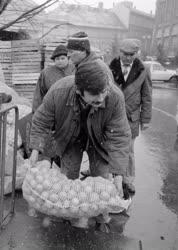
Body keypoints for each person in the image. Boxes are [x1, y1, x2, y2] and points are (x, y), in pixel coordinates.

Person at [29, 59, 131, 228]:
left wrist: (119, 173)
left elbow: (120, 136)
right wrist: (35, 150)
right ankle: (65, 215)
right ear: (79, 90)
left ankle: (101, 219)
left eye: (103, 92)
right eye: (94, 94)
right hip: (71, 137)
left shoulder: (114, 97)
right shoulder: (59, 92)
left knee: (101, 180)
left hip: (100, 140)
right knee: (67, 176)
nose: (101, 98)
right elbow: (41, 121)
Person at [109, 39, 152, 195]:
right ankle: (112, 177)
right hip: (113, 116)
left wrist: (145, 119)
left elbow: (147, 96)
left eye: (131, 55)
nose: (127, 57)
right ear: (119, 52)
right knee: (111, 147)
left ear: (136, 53)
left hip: (131, 118)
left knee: (129, 151)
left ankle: (128, 180)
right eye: (124, 54)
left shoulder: (144, 69)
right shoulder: (110, 67)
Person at [32, 45, 75, 112]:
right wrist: (36, 111)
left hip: (72, 109)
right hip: (53, 108)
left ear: (68, 58)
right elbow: (39, 94)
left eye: (62, 58)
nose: (60, 61)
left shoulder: (75, 70)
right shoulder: (46, 73)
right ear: (54, 60)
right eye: (57, 59)